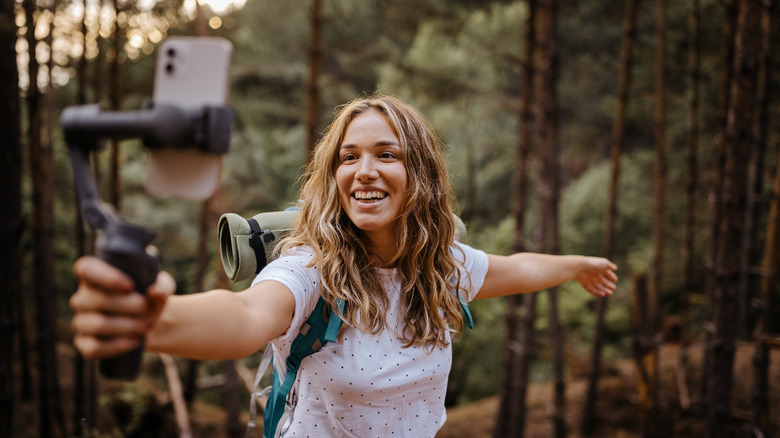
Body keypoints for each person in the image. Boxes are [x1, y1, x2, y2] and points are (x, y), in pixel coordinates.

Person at [70, 94, 618, 437]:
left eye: (387, 154)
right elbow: (245, 318)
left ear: (421, 175)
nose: (364, 171)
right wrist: (152, 321)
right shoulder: (311, 266)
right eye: (348, 157)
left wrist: (577, 264)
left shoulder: (441, 264)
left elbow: (518, 269)